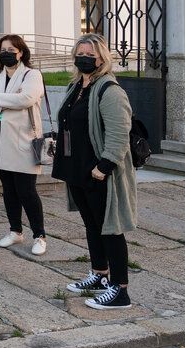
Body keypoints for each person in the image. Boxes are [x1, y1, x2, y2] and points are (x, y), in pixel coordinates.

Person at [53, 33, 137, 310]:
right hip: (77, 168)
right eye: (80, 53)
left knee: (110, 229)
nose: (84, 58)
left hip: (100, 172)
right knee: (92, 226)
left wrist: (104, 167)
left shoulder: (109, 90)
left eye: (90, 55)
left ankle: (120, 291)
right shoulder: (77, 84)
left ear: (102, 58)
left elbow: (118, 133)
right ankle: (100, 275)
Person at [0, 34, 48, 255]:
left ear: (21, 52)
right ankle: (15, 232)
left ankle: (39, 236)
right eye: (3, 49)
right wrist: (8, 102)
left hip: (23, 140)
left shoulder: (32, 74)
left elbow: (26, 99)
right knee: (8, 190)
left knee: (27, 191)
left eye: (11, 49)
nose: (6, 53)